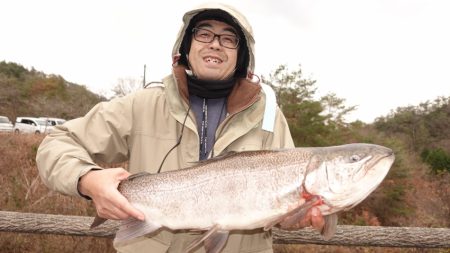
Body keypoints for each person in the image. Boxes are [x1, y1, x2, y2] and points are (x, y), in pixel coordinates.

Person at [36, 2, 324, 253]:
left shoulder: (270, 117)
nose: (215, 43)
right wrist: (88, 180)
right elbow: (58, 143)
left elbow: (288, 218)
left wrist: (294, 217)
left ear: (242, 56)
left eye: (229, 38)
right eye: (204, 33)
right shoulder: (143, 104)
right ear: (186, 47)